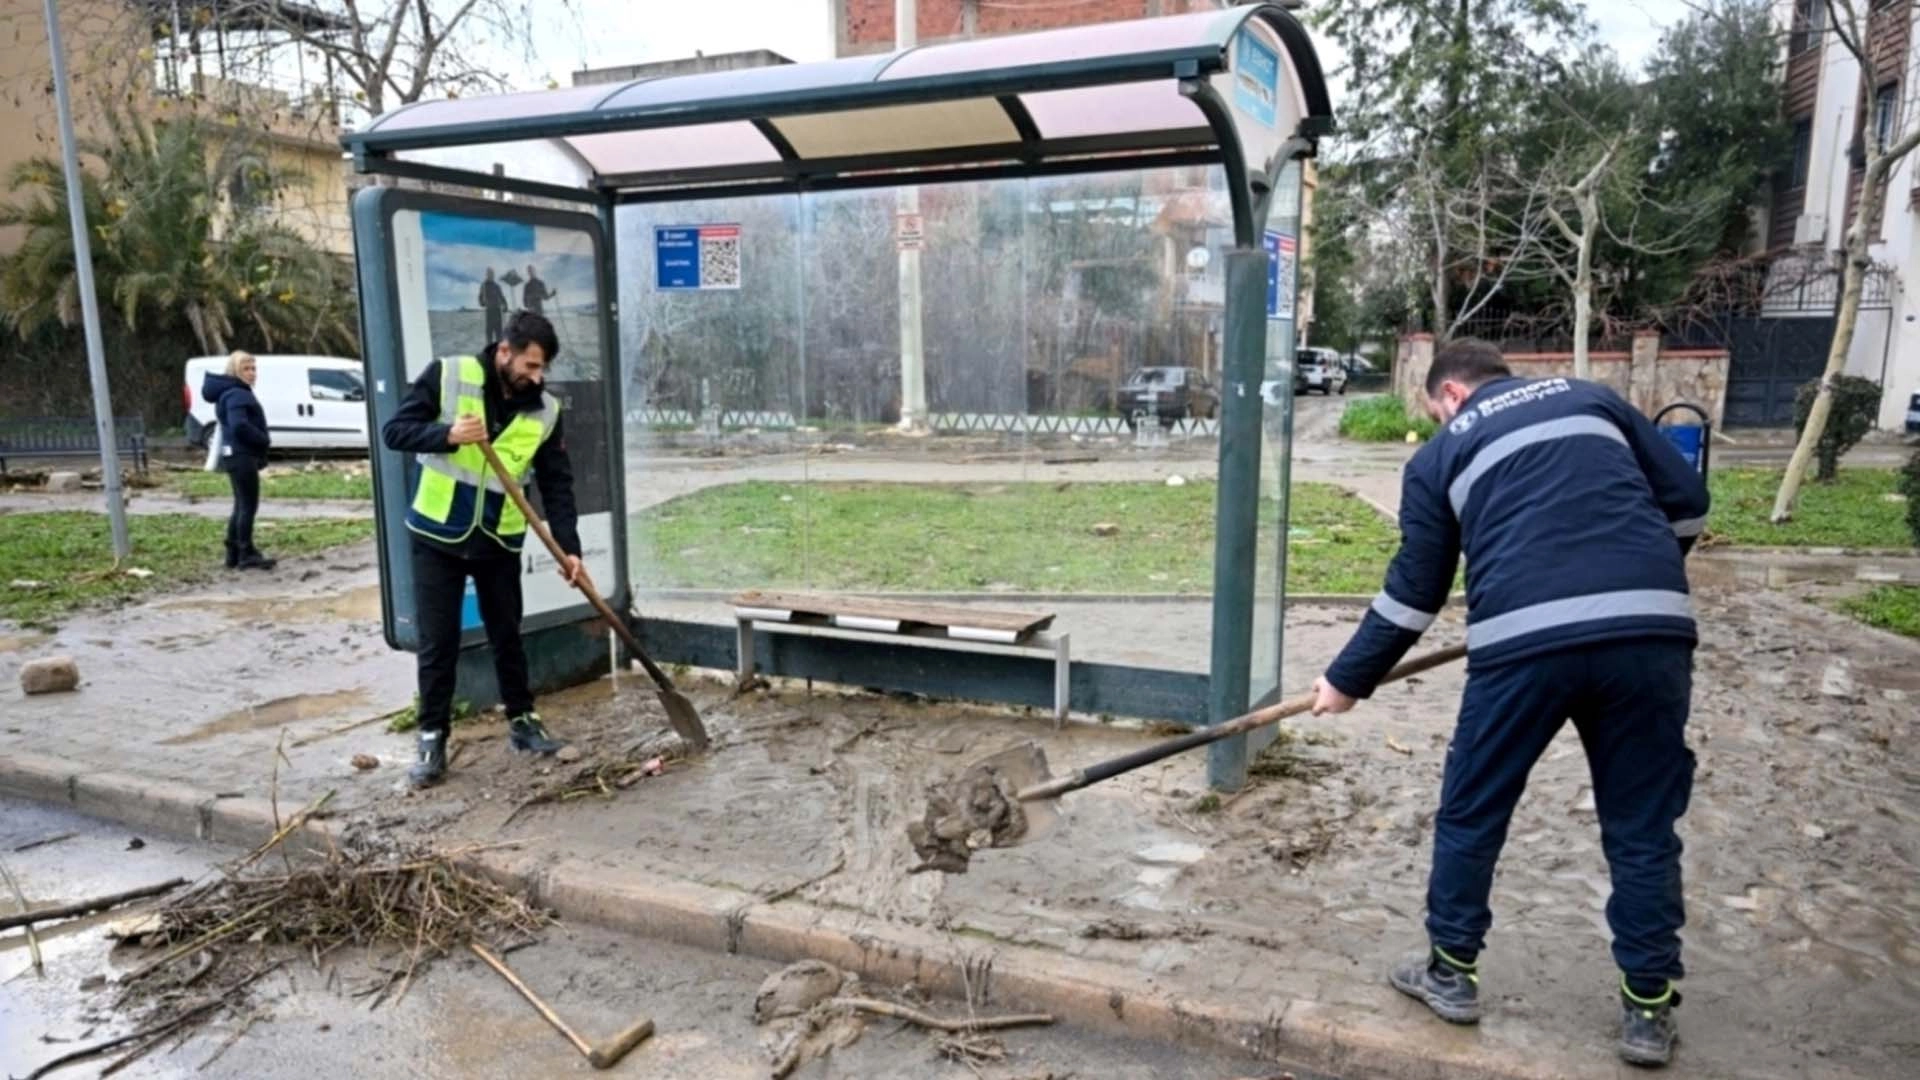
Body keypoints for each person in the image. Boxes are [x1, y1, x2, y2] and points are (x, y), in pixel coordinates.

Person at [1308, 340, 1710, 1069]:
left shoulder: (1437, 458)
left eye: (1435, 412)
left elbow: (1414, 593)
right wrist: (1631, 587)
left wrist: (1345, 681)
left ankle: (1450, 973)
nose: (1437, 422)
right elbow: (1687, 501)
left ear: (1451, 397)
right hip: (1650, 635)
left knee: (1473, 809)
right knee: (1642, 826)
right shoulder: (1593, 400)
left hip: (1523, 648)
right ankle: (1648, 1010)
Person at [382, 310, 584, 788]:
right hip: (438, 534)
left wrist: (569, 549)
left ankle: (523, 722)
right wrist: (446, 435)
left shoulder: (545, 412)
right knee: (439, 642)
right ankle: (432, 736)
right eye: (530, 366)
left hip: (498, 538)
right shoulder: (449, 375)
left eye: (543, 369)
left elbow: (558, 485)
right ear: (504, 352)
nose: (537, 377)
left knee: (507, 634)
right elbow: (396, 432)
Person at [200, 351, 276, 571]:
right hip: (242, 456)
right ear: (235, 371)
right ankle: (245, 552)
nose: (252, 373)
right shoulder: (237, 394)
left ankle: (233, 552)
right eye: (246, 369)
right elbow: (239, 425)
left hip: (234, 455)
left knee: (240, 504)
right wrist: (263, 440)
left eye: (254, 368)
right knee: (248, 505)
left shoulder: (230, 393)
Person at [478, 268, 507, 342]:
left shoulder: (497, 286)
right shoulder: (484, 285)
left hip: (497, 311)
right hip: (489, 311)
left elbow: (502, 296)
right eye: (489, 273)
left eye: (492, 274)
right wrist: (482, 303)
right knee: (489, 334)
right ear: (487, 275)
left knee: (499, 334)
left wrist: (505, 305)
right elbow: (480, 297)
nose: (491, 275)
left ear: (493, 275)